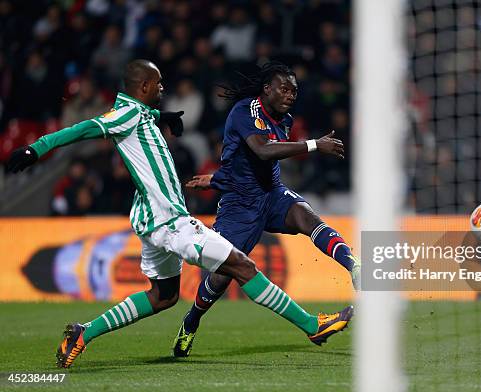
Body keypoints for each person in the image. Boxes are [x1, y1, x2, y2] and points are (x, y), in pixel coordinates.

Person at [7, 59, 353, 369]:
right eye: (158, 84)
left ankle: (83, 333)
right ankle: (312, 325)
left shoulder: (139, 113)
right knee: (243, 266)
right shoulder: (124, 115)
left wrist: (162, 116)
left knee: (164, 296)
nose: (163, 88)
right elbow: (82, 129)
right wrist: (36, 148)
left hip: (148, 218)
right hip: (169, 219)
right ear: (143, 87)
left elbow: (140, 117)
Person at [172, 62, 360, 357]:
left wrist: (216, 178)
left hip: (271, 194)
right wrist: (313, 145)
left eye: (294, 90)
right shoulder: (245, 111)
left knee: (306, 216)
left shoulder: (284, 119)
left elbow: (247, 162)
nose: (290, 95)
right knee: (222, 276)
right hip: (240, 206)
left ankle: (354, 266)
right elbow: (261, 150)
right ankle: (191, 322)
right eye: (284, 89)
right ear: (267, 89)